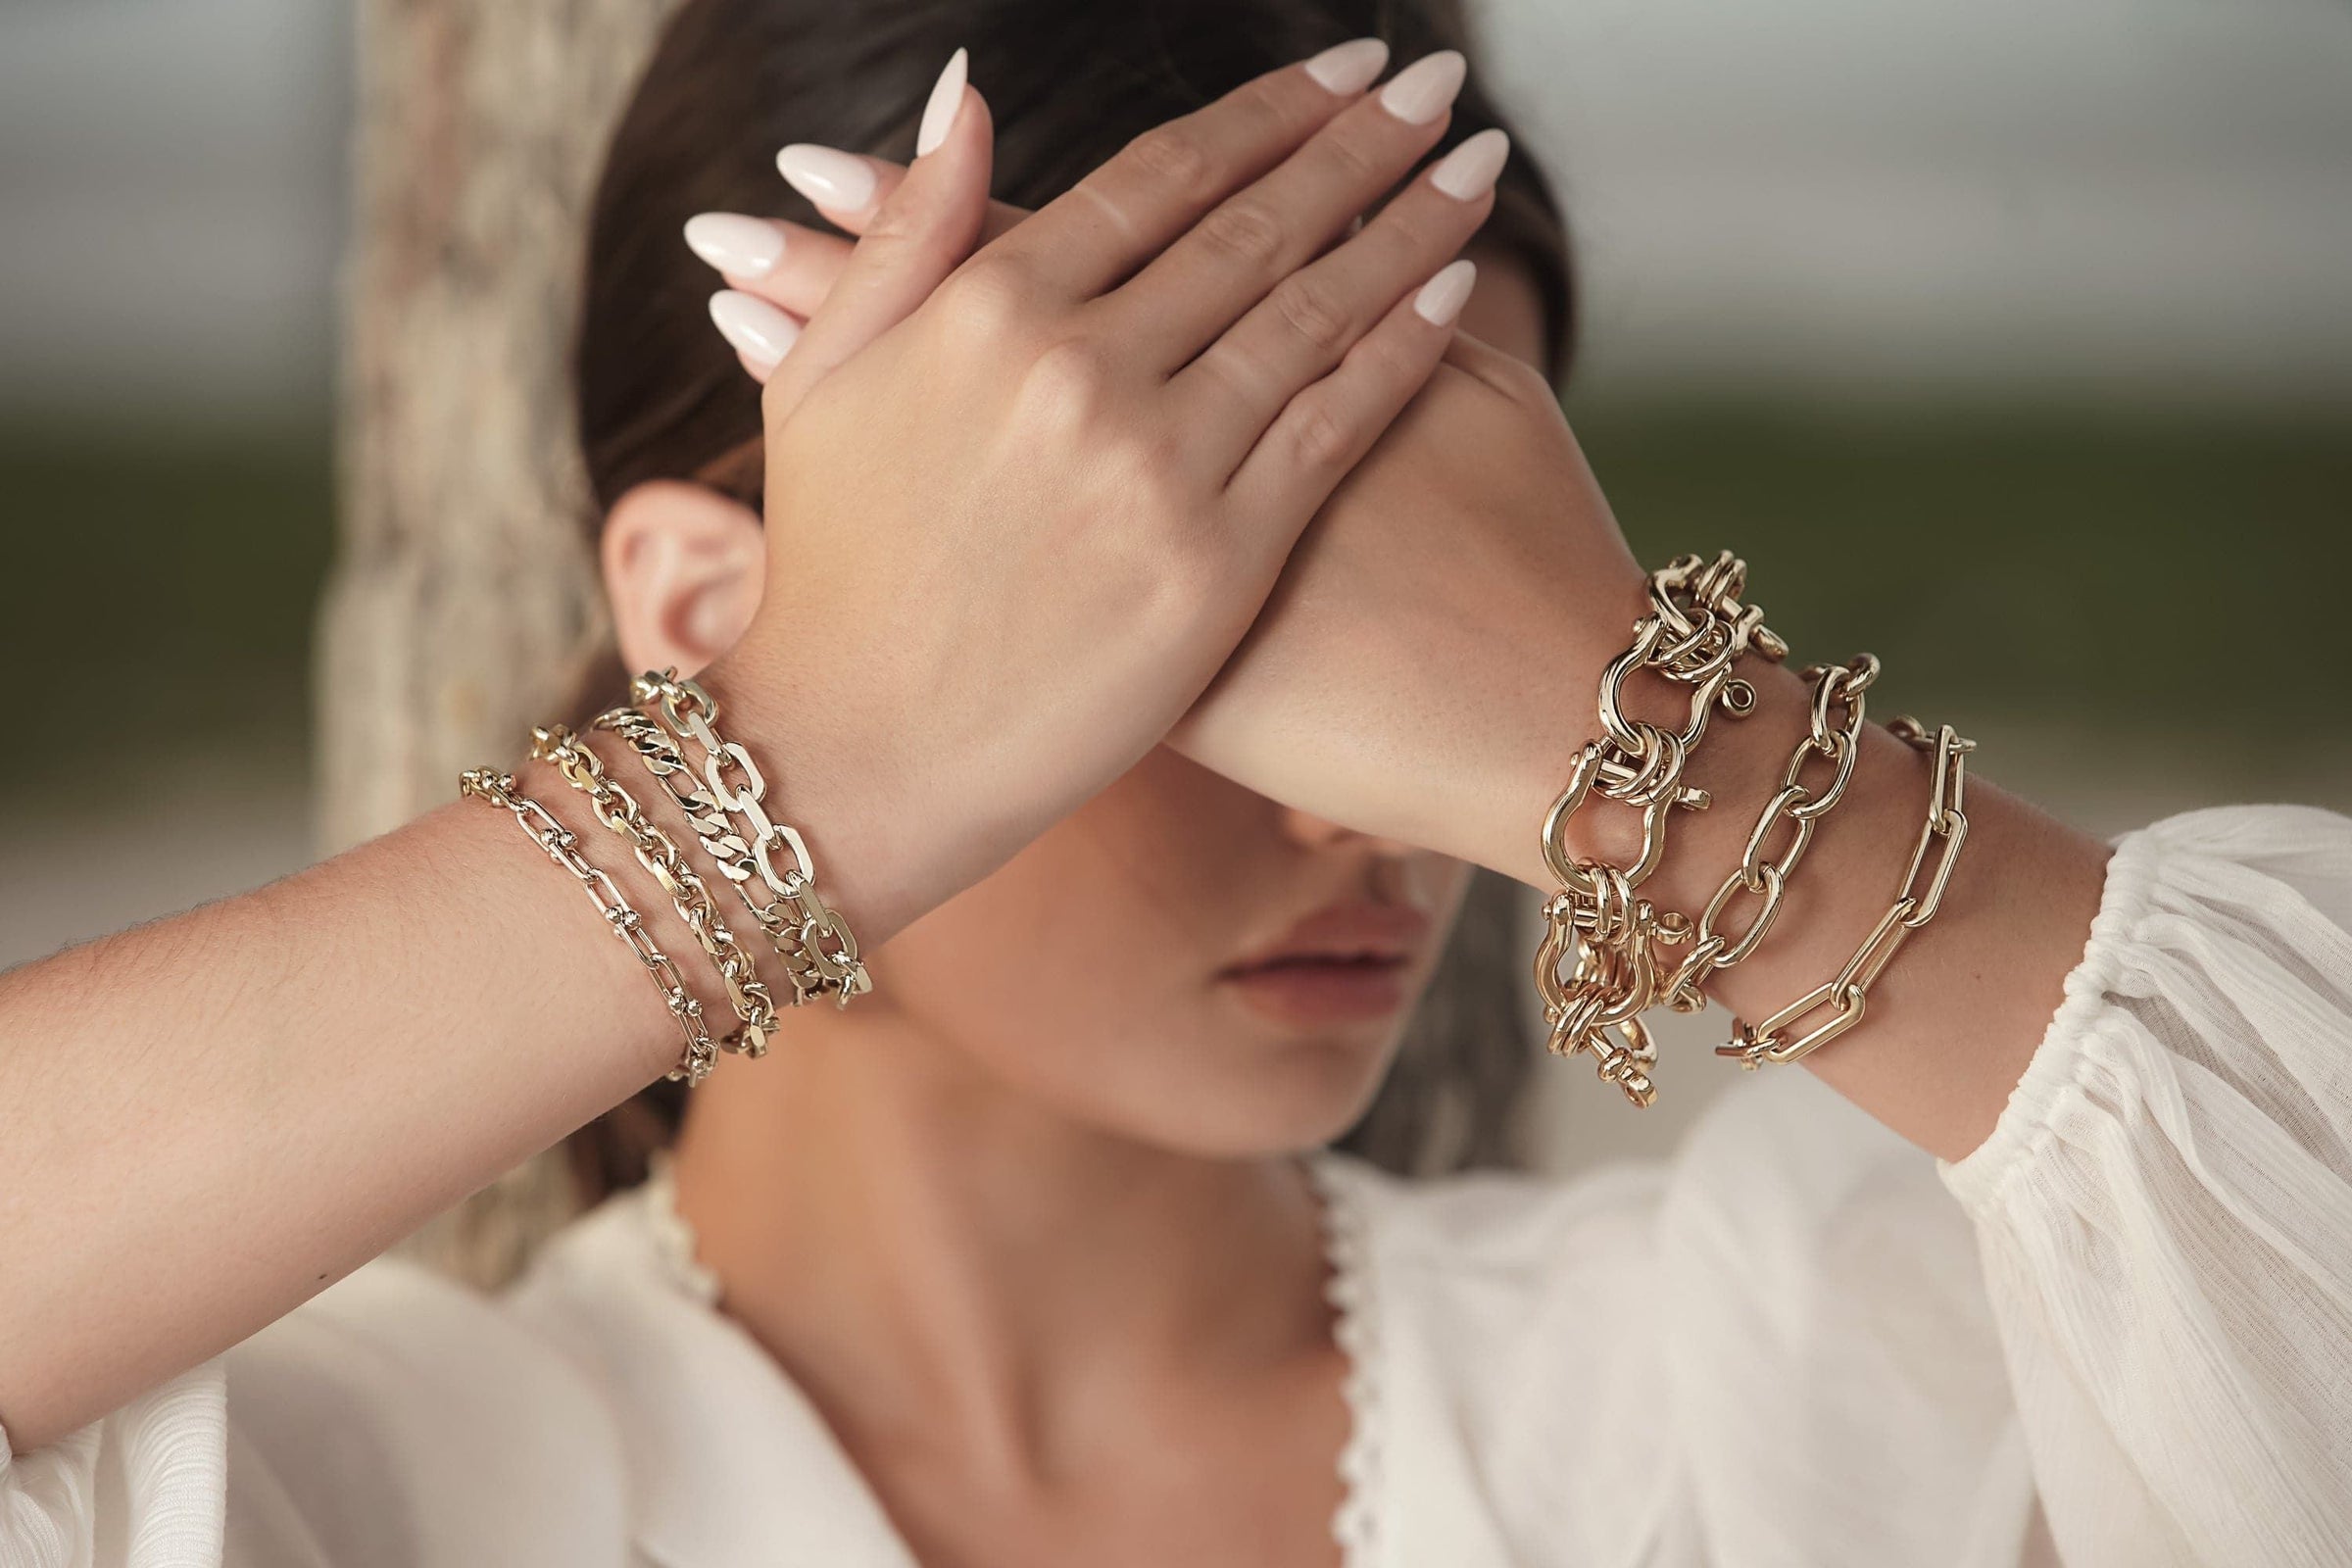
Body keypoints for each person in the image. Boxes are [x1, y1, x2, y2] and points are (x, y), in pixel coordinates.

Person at [3, 3, 2347, 1565]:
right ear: (706, 615)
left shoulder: (1788, 1398)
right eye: (1212, 637)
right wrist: (829, 758)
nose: (1380, 810)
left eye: (1439, 643)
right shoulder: (383, 1488)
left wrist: (1661, 766)